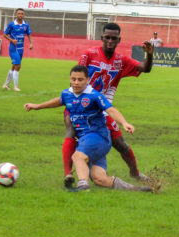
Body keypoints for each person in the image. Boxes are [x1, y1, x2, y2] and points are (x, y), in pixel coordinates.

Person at [24, 65, 153, 192]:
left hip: (98, 136)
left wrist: (124, 123)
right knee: (99, 178)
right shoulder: (67, 93)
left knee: (77, 157)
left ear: (87, 80)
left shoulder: (94, 95)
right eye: (73, 79)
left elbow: (111, 110)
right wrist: (37, 106)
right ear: (70, 79)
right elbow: (59, 100)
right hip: (88, 141)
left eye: (80, 80)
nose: (76, 82)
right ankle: (138, 190)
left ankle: (83, 186)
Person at [62, 23, 154, 188]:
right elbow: (77, 74)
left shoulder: (121, 61)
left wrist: (149, 56)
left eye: (114, 38)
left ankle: (134, 173)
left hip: (103, 110)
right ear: (102, 38)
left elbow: (144, 68)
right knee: (72, 131)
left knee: (121, 145)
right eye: (107, 37)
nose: (110, 41)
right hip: (80, 105)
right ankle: (68, 174)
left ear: (119, 40)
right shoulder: (89, 54)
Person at [2, 8, 33, 92]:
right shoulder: (12, 24)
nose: (20, 15)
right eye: (19, 13)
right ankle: (15, 86)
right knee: (18, 66)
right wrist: (11, 40)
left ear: (23, 15)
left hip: (20, 49)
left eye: (22, 13)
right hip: (13, 48)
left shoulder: (26, 25)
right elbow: (4, 34)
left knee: (14, 66)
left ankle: (6, 84)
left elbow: (29, 34)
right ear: (16, 14)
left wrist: (31, 43)